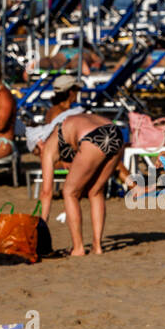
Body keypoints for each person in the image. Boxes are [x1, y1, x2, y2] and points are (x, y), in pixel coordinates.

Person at [37, 102, 134, 257]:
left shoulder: (48, 147)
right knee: (95, 191)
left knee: (69, 192)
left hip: (92, 137)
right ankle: (97, 246)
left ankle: (78, 248)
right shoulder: (65, 127)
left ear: (39, 143)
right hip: (115, 132)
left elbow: (46, 192)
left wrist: (41, 225)